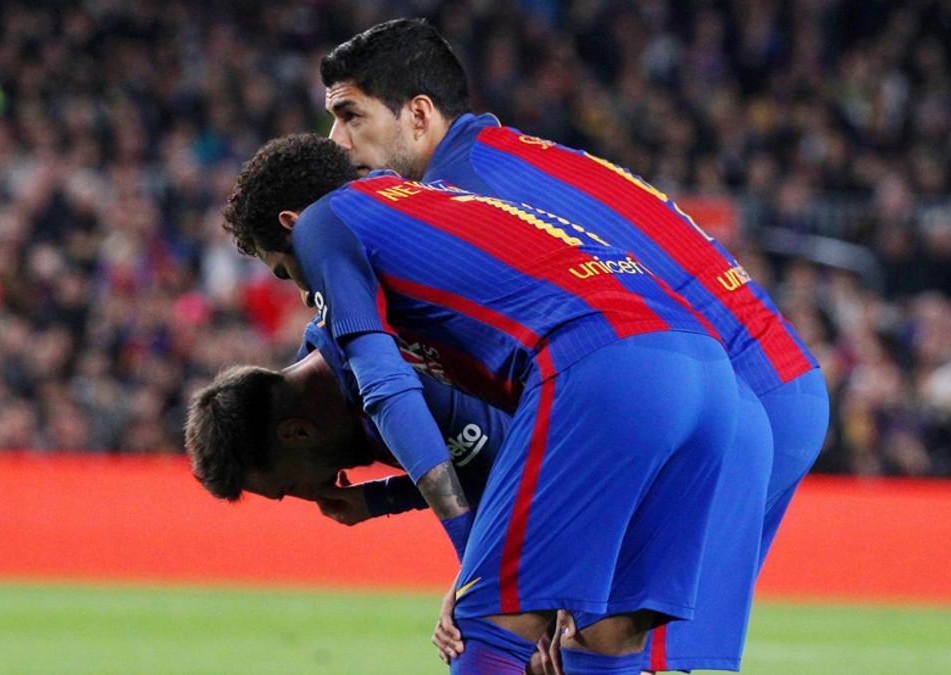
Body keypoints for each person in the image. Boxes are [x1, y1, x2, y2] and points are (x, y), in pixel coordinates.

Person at [316, 18, 829, 672]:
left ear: (417, 115)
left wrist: (495, 564)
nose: (336, 141)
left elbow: (556, 389)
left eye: (350, 115)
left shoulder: (461, 196)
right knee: (624, 644)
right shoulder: (508, 157)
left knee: (600, 647)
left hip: (727, 391)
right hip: (763, 376)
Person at [221, 132, 765, 674]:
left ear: (292, 223)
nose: (300, 290)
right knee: (605, 638)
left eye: (284, 270)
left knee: (483, 626)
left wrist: (472, 555)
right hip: (707, 372)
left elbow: (384, 384)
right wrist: (386, 502)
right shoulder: (419, 205)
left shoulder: (322, 223)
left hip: (603, 361)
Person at [185, 323, 508, 521]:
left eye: (291, 488)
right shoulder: (325, 392)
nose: (316, 497)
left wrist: (387, 498)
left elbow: (522, 470)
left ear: (297, 433)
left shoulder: (393, 388)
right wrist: (380, 499)